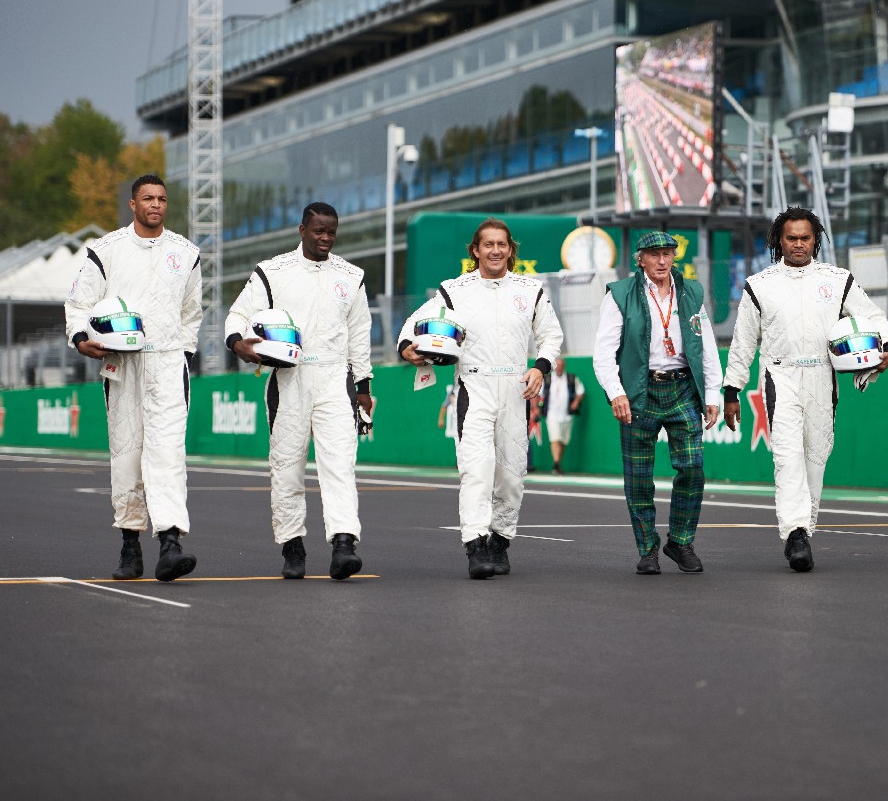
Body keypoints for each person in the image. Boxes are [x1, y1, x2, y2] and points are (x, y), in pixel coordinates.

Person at [723, 207, 888, 573]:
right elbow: (742, 344)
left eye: (805, 237)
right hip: (779, 376)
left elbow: (874, 317)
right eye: (791, 238)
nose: (798, 244)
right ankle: (796, 533)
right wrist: (731, 390)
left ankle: (805, 531)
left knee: (816, 459)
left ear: (815, 238)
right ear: (779, 241)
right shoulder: (760, 284)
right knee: (787, 456)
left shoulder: (838, 280)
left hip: (823, 376)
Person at [398, 217, 563, 579]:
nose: (495, 250)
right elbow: (412, 325)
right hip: (473, 388)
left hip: (516, 389)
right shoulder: (454, 290)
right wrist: (407, 349)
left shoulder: (530, 289)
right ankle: (475, 546)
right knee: (477, 470)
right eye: (487, 244)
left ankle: (500, 541)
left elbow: (551, 335)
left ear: (510, 250)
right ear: (475, 250)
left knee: (511, 476)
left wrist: (540, 367)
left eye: (501, 244)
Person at [224, 202, 374, 581]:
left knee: (339, 465)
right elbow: (237, 315)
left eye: (331, 232)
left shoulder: (351, 276)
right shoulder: (272, 272)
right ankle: (292, 545)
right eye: (318, 231)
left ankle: (344, 545)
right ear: (302, 229)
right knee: (287, 468)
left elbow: (359, 335)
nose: (325, 238)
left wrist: (364, 387)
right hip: (287, 378)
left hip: (335, 377)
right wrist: (238, 343)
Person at [65, 173, 202, 582]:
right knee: (127, 455)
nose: (155, 205)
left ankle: (170, 544)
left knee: (167, 454)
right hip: (121, 366)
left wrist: (183, 352)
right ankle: (129, 545)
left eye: (161, 198)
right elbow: (78, 302)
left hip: (167, 365)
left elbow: (192, 312)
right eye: (147, 198)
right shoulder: (105, 250)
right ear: (132, 204)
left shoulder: (187, 252)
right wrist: (80, 339)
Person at [592, 230, 723, 575]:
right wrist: (616, 392)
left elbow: (706, 344)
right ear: (641, 259)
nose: (662, 261)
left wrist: (712, 393)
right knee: (639, 477)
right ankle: (647, 549)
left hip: (682, 389)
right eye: (654, 255)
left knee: (693, 468)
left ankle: (680, 542)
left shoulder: (692, 291)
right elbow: (603, 353)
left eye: (667, 253)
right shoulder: (620, 294)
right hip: (639, 391)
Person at [539, 357, 585, 475]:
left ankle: (557, 462)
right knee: (555, 438)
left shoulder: (571, 378)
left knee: (563, 441)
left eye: (561, 365)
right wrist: (536, 408)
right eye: (557, 365)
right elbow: (538, 394)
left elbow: (581, 391)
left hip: (567, 415)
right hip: (551, 414)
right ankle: (556, 462)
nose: (559, 367)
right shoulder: (547, 379)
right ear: (554, 366)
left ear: (564, 366)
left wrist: (576, 402)